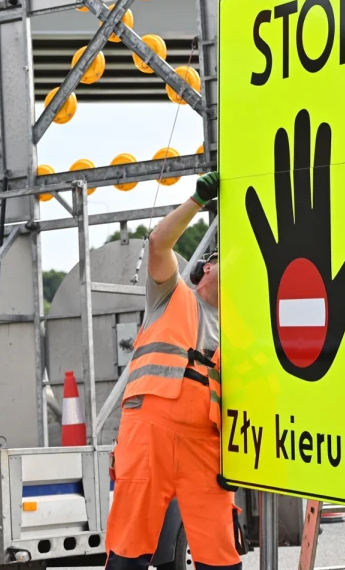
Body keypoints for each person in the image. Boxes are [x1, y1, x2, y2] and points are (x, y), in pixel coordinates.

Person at [105, 171, 244, 570]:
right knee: (130, 547)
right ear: (204, 269)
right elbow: (159, 242)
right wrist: (197, 200)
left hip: (205, 443)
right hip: (150, 432)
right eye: (221, 259)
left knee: (220, 552)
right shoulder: (170, 294)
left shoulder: (242, 330)